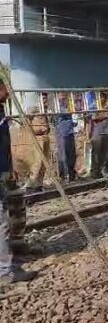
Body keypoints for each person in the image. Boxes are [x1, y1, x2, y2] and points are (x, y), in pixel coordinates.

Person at [0, 80, 37, 283]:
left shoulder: (1, 111)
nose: (8, 93)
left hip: (3, 170)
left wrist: (10, 167)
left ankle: (11, 255)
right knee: (1, 223)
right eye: (5, 89)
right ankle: (5, 272)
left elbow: (4, 144)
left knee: (9, 212)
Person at [25, 106, 51, 194]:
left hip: (45, 136)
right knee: (37, 162)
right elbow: (27, 118)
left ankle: (39, 184)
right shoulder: (33, 105)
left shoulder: (44, 109)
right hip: (37, 137)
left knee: (44, 163)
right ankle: (31, 185)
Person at [55, 93, 77, 183]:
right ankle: (64, 176)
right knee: (63, 156)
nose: (64, 99)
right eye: (62, 97)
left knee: (72, 155)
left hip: (70, 132)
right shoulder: (57, 107)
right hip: (62, 133)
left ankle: (72, 175)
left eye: (65, 97)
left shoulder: (68, 106)